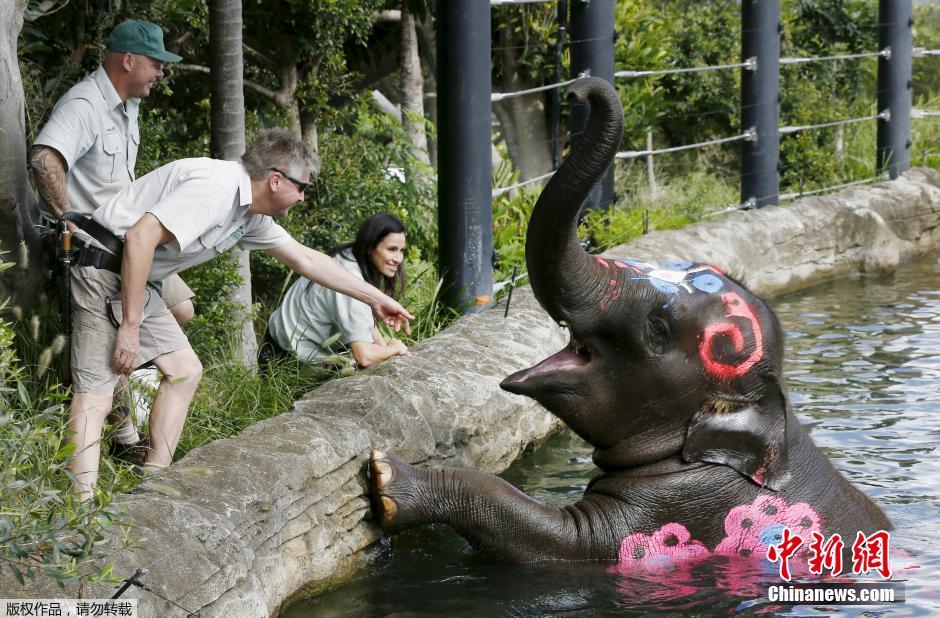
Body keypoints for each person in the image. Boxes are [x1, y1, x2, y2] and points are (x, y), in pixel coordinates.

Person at [66, 129, 413, 500]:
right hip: (100, 265)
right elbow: (140, 237)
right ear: (276, 180)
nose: (303, 198)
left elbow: (306, 259)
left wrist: (376, 299)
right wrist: (130, 326)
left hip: (134, 275)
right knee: (95, 396)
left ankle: (151, 486)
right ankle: (79, 509)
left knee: (184, 371)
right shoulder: (216, 188)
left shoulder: (249, 214)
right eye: (301, 188)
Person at [30, 19, 192, 456]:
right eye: (156, 63)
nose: (161, 71)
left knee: (182, 309)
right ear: (129, 60)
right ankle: (121, 430)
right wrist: (70, 222)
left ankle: (121, 398)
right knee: (121, 334)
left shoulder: (127, 105)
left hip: (131, 239)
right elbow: (43, 159)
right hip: (96, 248)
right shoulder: (85, 103)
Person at [266, 213, 412, 368]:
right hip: (284, 363)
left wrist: (383, 347)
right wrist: (394, 349)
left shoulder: (347, 256)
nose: (399, 258)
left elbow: (360, 320)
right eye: (392, 249)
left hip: (277, 343)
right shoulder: (352, 281)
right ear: (370, 247)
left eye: (401, 250)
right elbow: (365, 356)